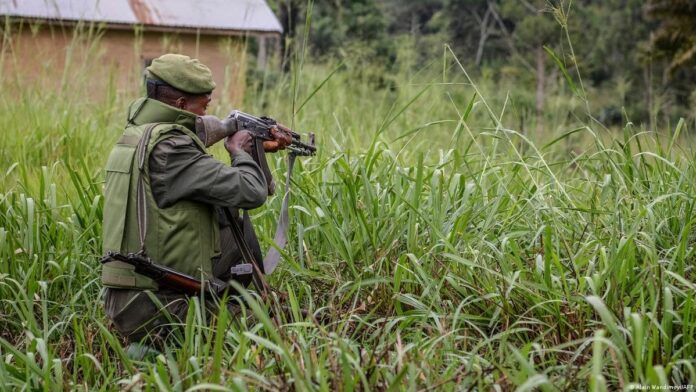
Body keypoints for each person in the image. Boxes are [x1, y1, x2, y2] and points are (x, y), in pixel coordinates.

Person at [101, 53, 291, 346]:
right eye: (202, 107)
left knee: (221, 221)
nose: (204, 116)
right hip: (156, 307)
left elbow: (197, 133)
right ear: (179, 106)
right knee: (270, 325)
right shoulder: (172, 150)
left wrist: (237, 131)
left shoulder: (136, 136)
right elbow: (252, 192)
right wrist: (240, 150)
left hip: (132, 296)